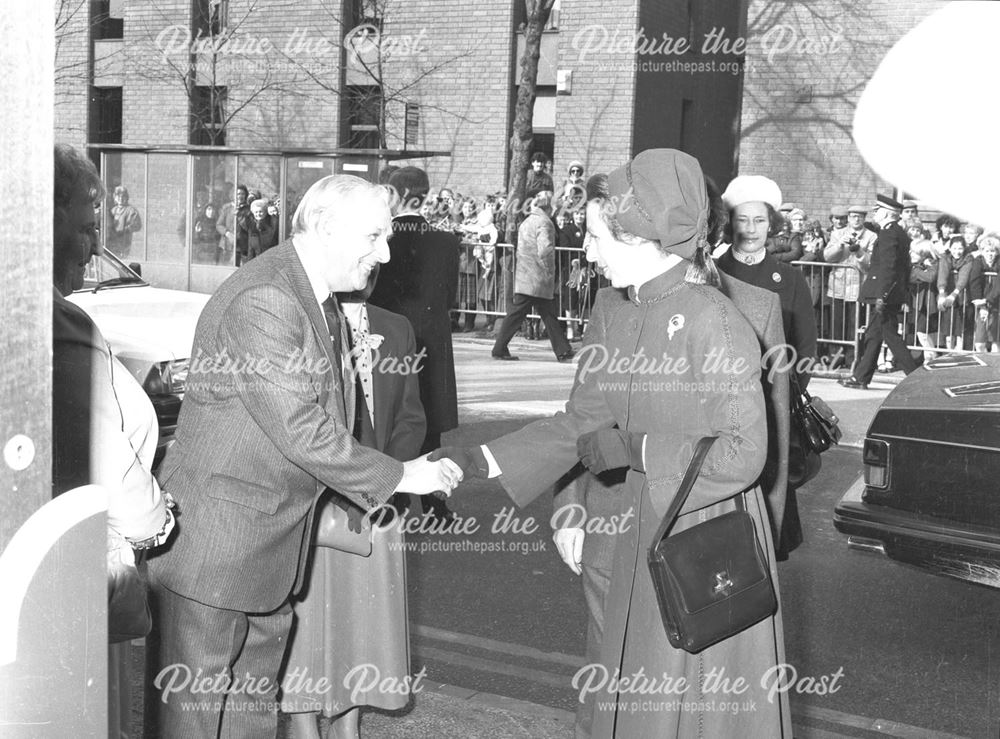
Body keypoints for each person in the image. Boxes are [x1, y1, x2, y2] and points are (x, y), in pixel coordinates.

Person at [435, 149, 790, 737]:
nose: (589, 251)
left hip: (691, 542)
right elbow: (579, 423)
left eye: (597, 236)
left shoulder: (714, 319)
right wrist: (473, 461)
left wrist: (639, 450)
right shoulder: (624, 313)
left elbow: (744, 453)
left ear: (641, 236)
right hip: (630, 544)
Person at [143, 175, 461, 738]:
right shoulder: (266, 298)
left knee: (249, 716)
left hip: (268, 550)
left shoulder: (318, 300)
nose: (385, 254)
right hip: (218, 552)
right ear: (324, 227)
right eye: (373, 237)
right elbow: (300, 427)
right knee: (193, 719)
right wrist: (400, 474)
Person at [52, 143, 174, 739]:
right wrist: (158, 521)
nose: (94, 246)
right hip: (63, 574)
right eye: (83, 226)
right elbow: (106, 454)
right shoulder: (58, 323)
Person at [280, 265, 425, 739]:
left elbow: (410, 418)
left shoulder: (397, 328)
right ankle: (303, 727)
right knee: (305, 626)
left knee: (358, 626)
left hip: (377, 504)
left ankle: (348, 727)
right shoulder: (303, 320)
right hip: (315, 501)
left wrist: (384, 482)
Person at [717, 174, 818, 557]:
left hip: (770, 398)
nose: (751, 230)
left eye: (759, 221)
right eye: (742, 220)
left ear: (771, 224)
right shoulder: (714, 272)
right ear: (731, 222)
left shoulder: (788, 278)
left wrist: (788, 390)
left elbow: (804, 343)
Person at [368, 166, 461, 522]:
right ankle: (437, 504)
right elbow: (449, 298)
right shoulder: (446, 242)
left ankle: (395, 499)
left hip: (391, 345)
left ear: (396, 195)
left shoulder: (384, 243)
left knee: (391, 423)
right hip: (433, 345)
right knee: (431, 428)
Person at [840, 194, 919, 389]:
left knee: (890, 336)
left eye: (877, 210)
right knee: (874, 335)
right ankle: (860, 377)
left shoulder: (890, 233)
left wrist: (882, 295)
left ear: (886, 213)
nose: (874, 213)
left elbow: (888, 267)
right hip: (888, 292)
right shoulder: (893, 231)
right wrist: (856, 246)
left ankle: (917, 378)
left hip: (885, 294)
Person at [491, 191, 574, 362]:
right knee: (542, 314)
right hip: (538, 277)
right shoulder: (545, 223)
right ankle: (562, 350)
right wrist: (550, 271)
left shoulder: (527, 221)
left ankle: (563, 349)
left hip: (525, 275)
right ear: (549, 207)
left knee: (533, 314)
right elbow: (545, 250)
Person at [936, 236, 975, 350]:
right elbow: (942, 274)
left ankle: (959, 352)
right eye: (954, 248)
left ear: (964, 249)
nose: (957, 252)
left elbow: (963, 277)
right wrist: (942, 293)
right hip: (947, 296)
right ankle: (949, 351)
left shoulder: (968, 258)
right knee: (948, 329)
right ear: (950, 248)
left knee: (960, 330)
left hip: (962, 297)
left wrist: (954, 294)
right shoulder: (945, 257)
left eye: (960, 248)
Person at [970, 233, 1000, 351]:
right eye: (987, 251)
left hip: (996, 302)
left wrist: (987, 300)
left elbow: (998, 286)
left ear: (997, 252)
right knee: (979, 343)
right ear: (982, 252)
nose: (990, 254)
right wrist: (982, 304)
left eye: (992, 251)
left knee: (995, 342)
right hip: (982, 304)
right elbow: (974, 282)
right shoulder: (978, 262)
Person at [217, 183, 252, 265]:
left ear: (246, 195)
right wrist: (227, 233)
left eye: (242, 194)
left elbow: (249, 227)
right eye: (238, 194)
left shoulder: (249, 209)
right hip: (227, 245)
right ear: (233, 195)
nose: (240, 196)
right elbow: (219, 225)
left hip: (242, 247)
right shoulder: (227, 208)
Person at [107, 184, 142, 260]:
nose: (120, 198)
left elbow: (137, 225)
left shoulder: (131, 210)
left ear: (127, 197)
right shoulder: (113, 211)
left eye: (123, 196)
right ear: (115, 198)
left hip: (124, 242)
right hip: (113, 242)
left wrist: (125, 230)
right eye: (118, 196)